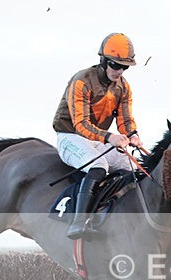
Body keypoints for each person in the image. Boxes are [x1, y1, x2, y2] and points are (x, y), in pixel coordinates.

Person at [52, 33, 143, 239]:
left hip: (97, 139)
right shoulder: (81, 81)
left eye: (124, 67)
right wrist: (111, 137)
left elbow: (126, 119)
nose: (119, 71)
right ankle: (78, 222)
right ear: (103, 60)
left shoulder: (124, 87)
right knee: (98, 165)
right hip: (70, 136)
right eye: (115, 65)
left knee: (131, 166)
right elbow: (81, 124)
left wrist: (133, 134)